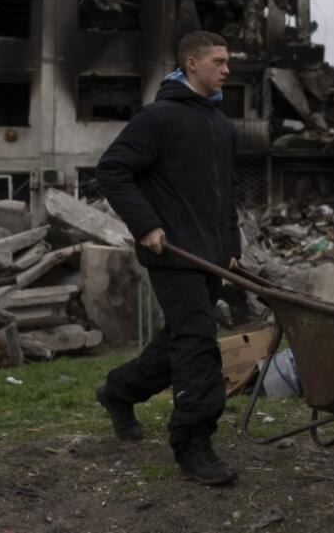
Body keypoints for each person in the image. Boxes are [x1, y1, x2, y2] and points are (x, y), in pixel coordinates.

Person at [93, 30, 240, 486]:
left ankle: (119, 391)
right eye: (218, 61)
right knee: (198, 344)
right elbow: (111, 170)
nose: (227, 69)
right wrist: (146, 225)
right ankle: (192, 442)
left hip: (212, 257)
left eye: (227, 60)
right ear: (191, 64)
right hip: (172, 254)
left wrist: (231, 245)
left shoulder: (221, 126)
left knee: (178, 340)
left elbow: (225, 195)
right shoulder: (157, 118)